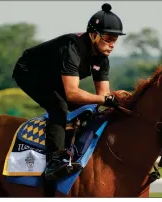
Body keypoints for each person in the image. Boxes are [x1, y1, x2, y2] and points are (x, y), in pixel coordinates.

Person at [12, 3, 125, 180]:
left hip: (55, 77)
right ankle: (54, 161)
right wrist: (105, 99)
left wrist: (119, 99)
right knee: (59, 106)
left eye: (115, 40)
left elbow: (103, 96)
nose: (112, 45)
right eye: (109, 38)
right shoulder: (73, 48)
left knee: (88, 109)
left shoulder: (103, 59)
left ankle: (73, 150)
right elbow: (73, 94)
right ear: (94, 35)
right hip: (29, 71)